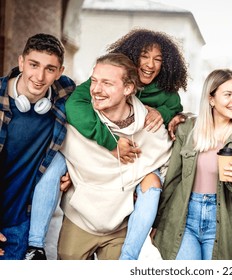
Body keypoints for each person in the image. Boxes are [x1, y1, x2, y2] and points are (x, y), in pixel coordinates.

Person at [24, 28, 188, 260]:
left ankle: (128, 258)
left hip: (120, 202)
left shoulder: (167, 95)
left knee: (153, 182)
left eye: (158, 59)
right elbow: (76, 107)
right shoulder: (102, 82)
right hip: (87, 198)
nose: (150, 64)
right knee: (55, 163)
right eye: (144, 56)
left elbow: (174, 113)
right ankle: (35, 245)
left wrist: (166, 114)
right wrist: (108, 145)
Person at [57, 53, 172, 260]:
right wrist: (64, 171)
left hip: (120, 228)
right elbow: (49, 153)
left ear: (128, 89)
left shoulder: (149, 127)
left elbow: (168, 166)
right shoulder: (77, 121)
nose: (96, 90)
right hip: (79, 220)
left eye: (107, 83)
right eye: (94, 81)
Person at [151, 69, 232, 260]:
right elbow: (172, 179)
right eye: (228, 94)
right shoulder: (188, 129)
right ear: (211, 99)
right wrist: (157, 222)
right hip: (184, 216)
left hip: (222, 222)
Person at [0, 33, 75, 260]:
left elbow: (114, 97)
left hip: (21, 222)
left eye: (50, 69)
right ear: (21, 62)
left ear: (60, 72)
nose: (40, 77)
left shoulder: (66, 94)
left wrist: (75, 170)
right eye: (33, 65)